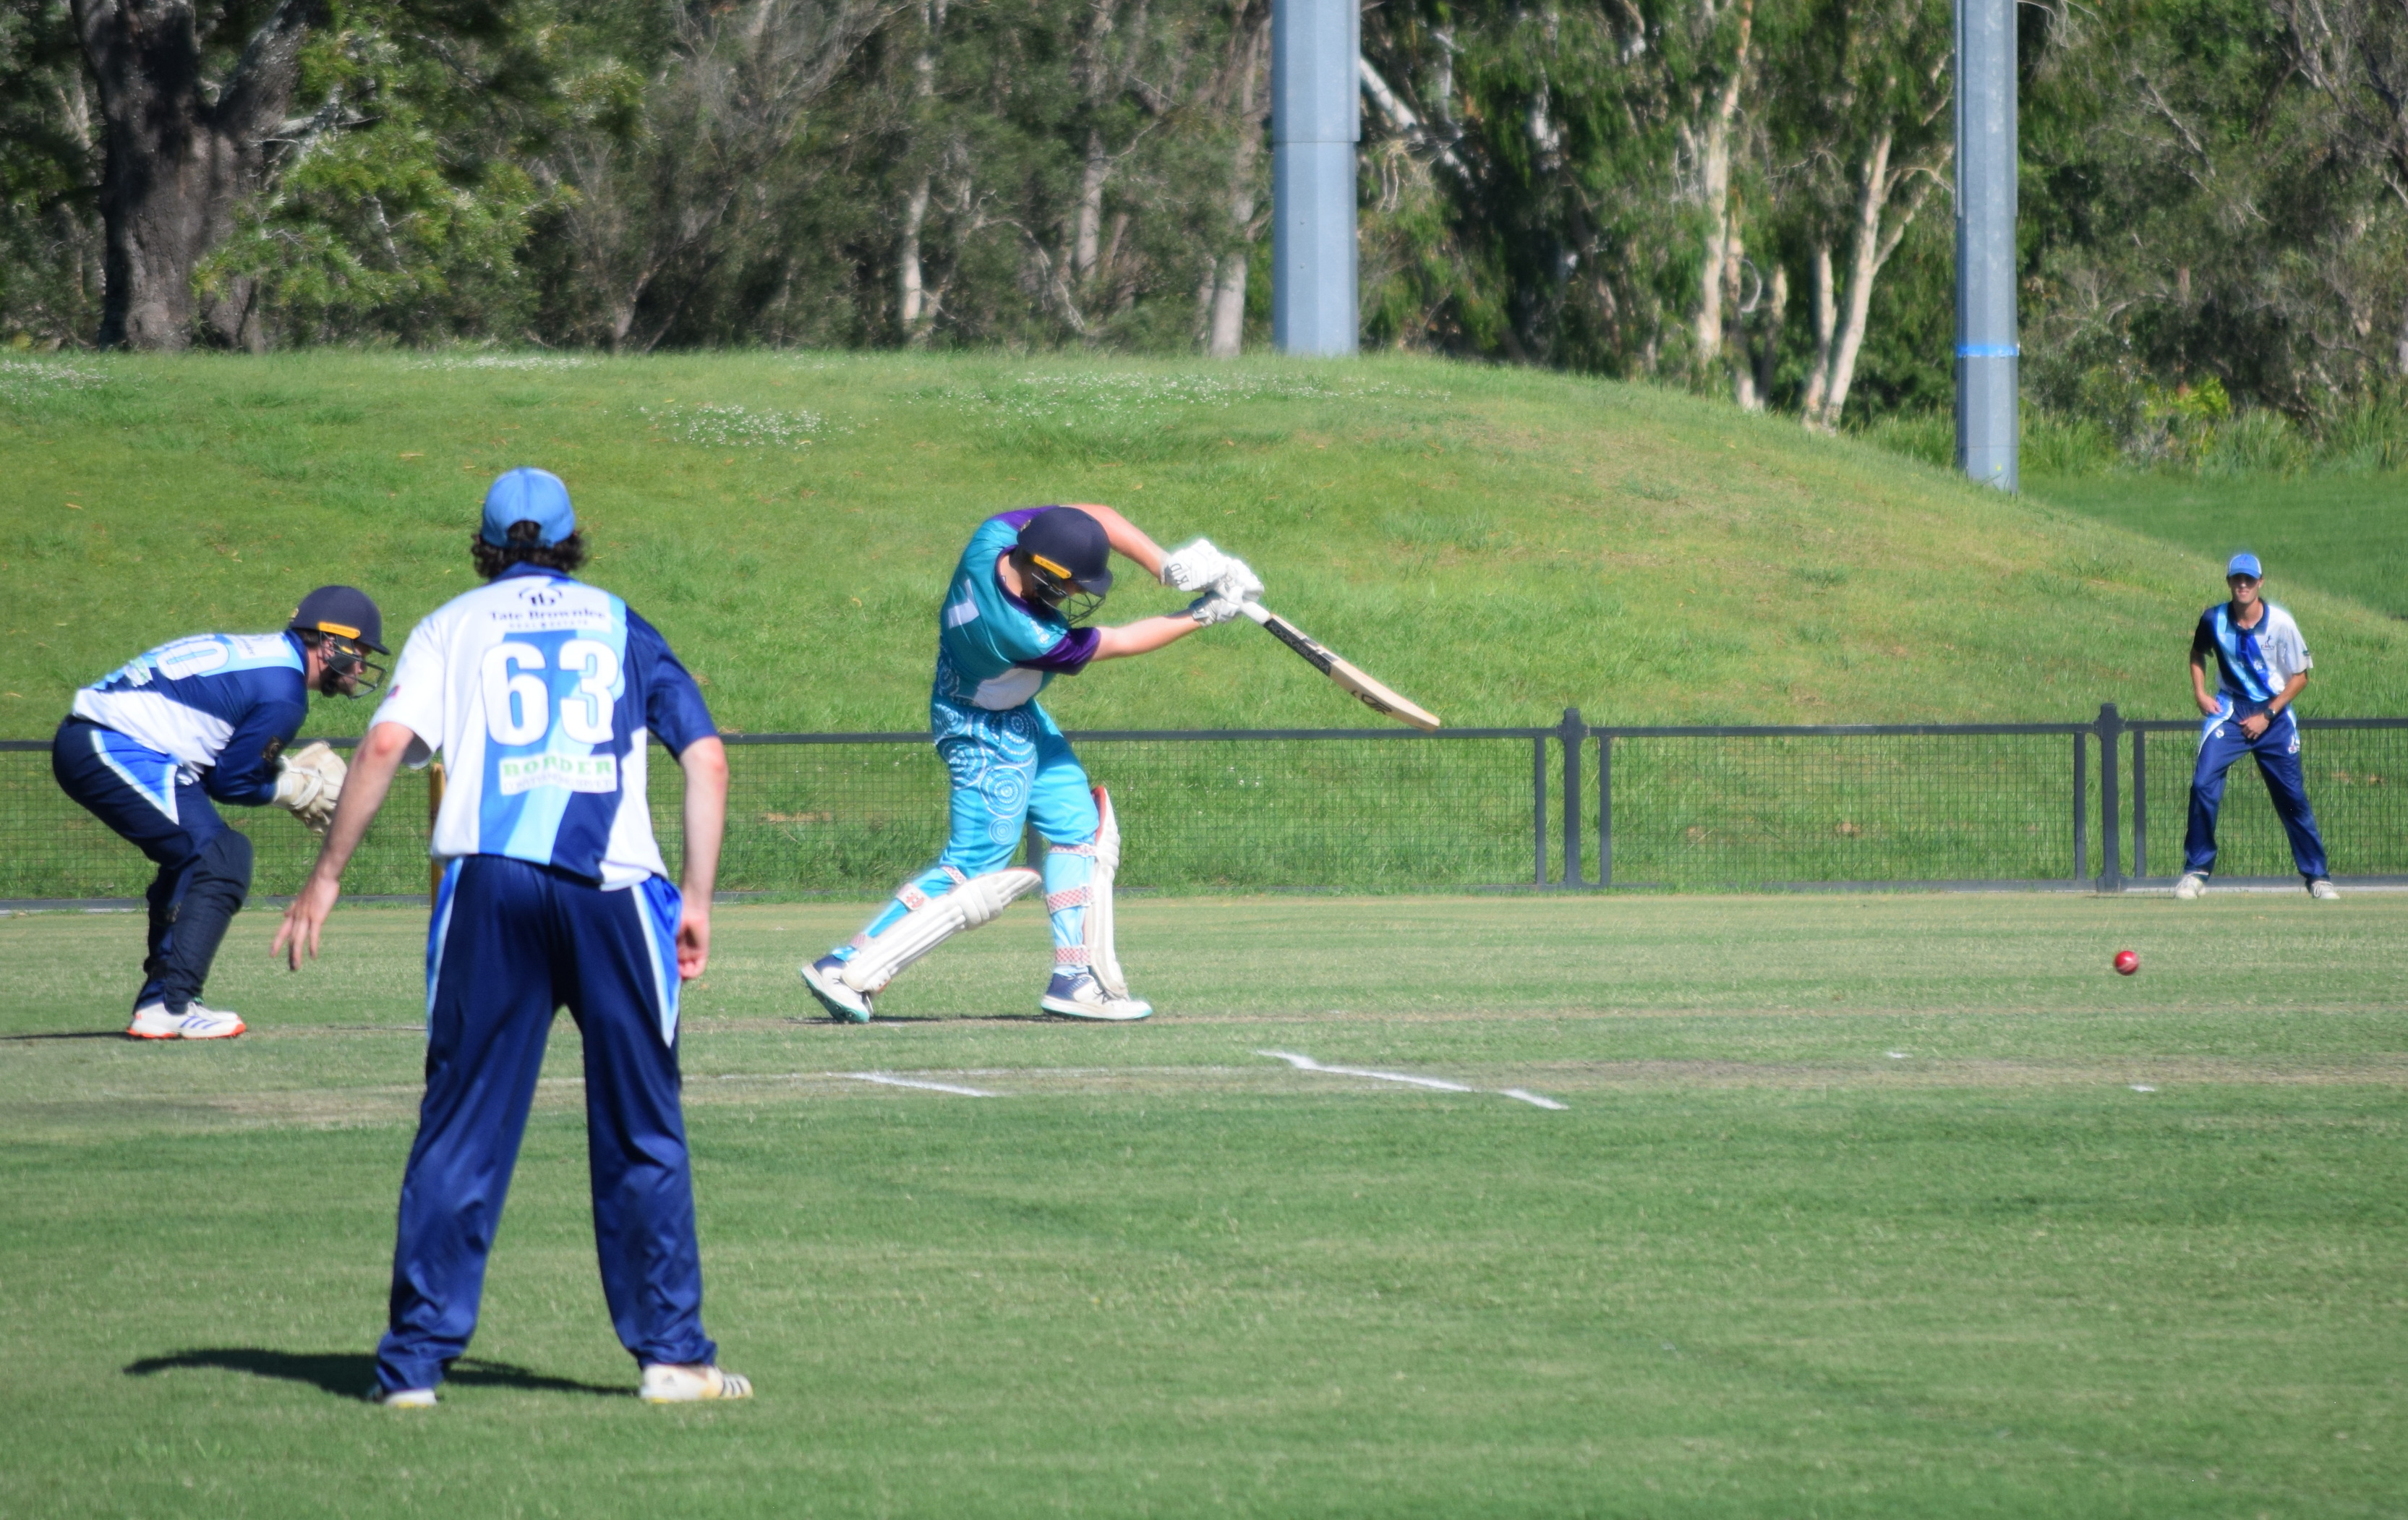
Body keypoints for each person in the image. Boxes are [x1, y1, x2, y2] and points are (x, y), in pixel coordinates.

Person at [273, 468, 750, 1408]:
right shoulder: (622, 622)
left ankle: (413, 1367)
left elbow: (383, 745)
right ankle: (672, 1357)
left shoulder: (452, 625)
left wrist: (326, 876)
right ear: (572, 541)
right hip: (615, 890)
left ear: (486, 546)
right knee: (642, 1128)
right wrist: (696, 896)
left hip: (488, 886)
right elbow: (707, 757)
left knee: (461, 1126)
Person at [799, 505, 1257, 1023]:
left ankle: (1074, 979)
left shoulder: (991, 538)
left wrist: (1165, 566)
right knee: (973, 867)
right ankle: (845, 965)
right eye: (1071, 585)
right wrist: (1203, 614)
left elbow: (1090, 515)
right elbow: (1120, 641)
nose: (1075, 594)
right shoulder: (1024, 633)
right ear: (1043, 572)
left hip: (1016, 713)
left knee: (1082, 833)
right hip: (980, 733)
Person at [51, 586, 385, 1039]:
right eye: (361, 652)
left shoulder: (270, 660)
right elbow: (230, 782)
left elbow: (218, 761)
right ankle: (171, 1003)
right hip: (112, 742)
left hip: (109, 739)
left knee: (198, 856)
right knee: (220, 858)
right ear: (332, 641)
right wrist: (292, 788)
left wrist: (280, 771)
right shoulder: (285, 693)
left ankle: (162, 1001)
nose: (361, 667)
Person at [2177, 552, 2336, 900]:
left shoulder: (2281, 623)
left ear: (2260, 583)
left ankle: (2318, 877)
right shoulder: (2213, 619)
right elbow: (2197, 654)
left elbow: (2300, 677)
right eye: (2237, 579)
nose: (2243, 585)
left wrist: (2268, 715)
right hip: (2231, 711)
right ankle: (2196, 871)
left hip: (2273, 715)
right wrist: (2200, 693)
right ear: (2229, 582)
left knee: (2291, 798)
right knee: (2203, 784)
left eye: (2249, 579)